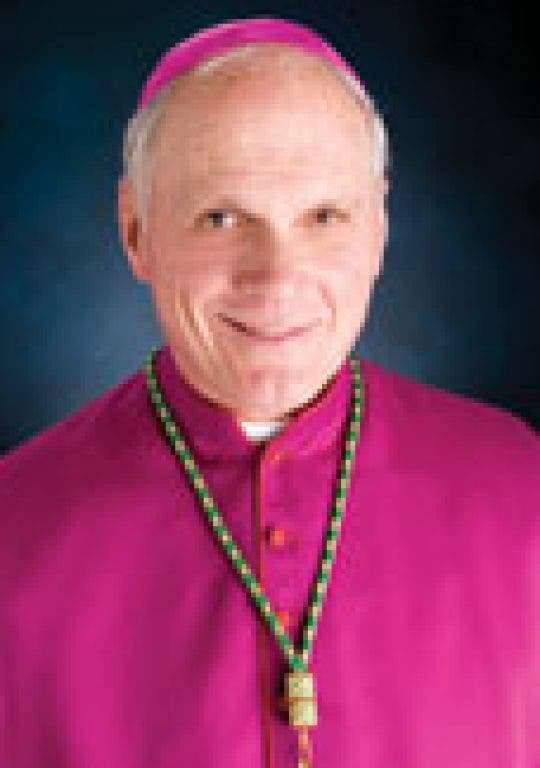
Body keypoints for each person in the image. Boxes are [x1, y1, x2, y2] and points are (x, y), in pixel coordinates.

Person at [1, 16, 539, 768]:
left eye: (323, 217)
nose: (277, 276)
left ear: (378, 229)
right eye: (222, 218)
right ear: (136, 232)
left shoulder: (521, 485)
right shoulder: (14, 527)